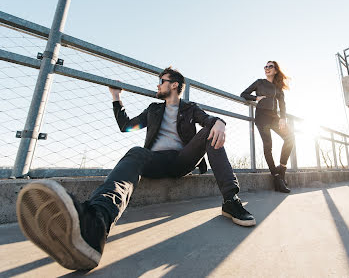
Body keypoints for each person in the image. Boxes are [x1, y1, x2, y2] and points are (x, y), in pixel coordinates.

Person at [16, 67, 256, 271]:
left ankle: (230, 200)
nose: (157, 85)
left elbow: (207, 121)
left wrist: (220, 122)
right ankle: (96, 222)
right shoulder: (153, 110)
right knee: (135, 151)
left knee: (211, 131)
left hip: (183, 160)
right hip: (154, 159)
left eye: (161, 81)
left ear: (173, 85)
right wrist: (116, 97)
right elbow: (127, 127)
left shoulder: (190, 108)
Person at [241, 61, 295, 193]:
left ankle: (281, 171)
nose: (267, 68)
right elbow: (244, 94)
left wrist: (283, 118)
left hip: (274, 118)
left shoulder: (278, 88)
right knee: (268, 146)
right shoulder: (259, 82)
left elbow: (282, 104)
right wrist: (256, 98)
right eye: (265, 66)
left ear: (276, 70)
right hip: (262, 117)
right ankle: (277, 178)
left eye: (270, 66)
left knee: (290, 138)